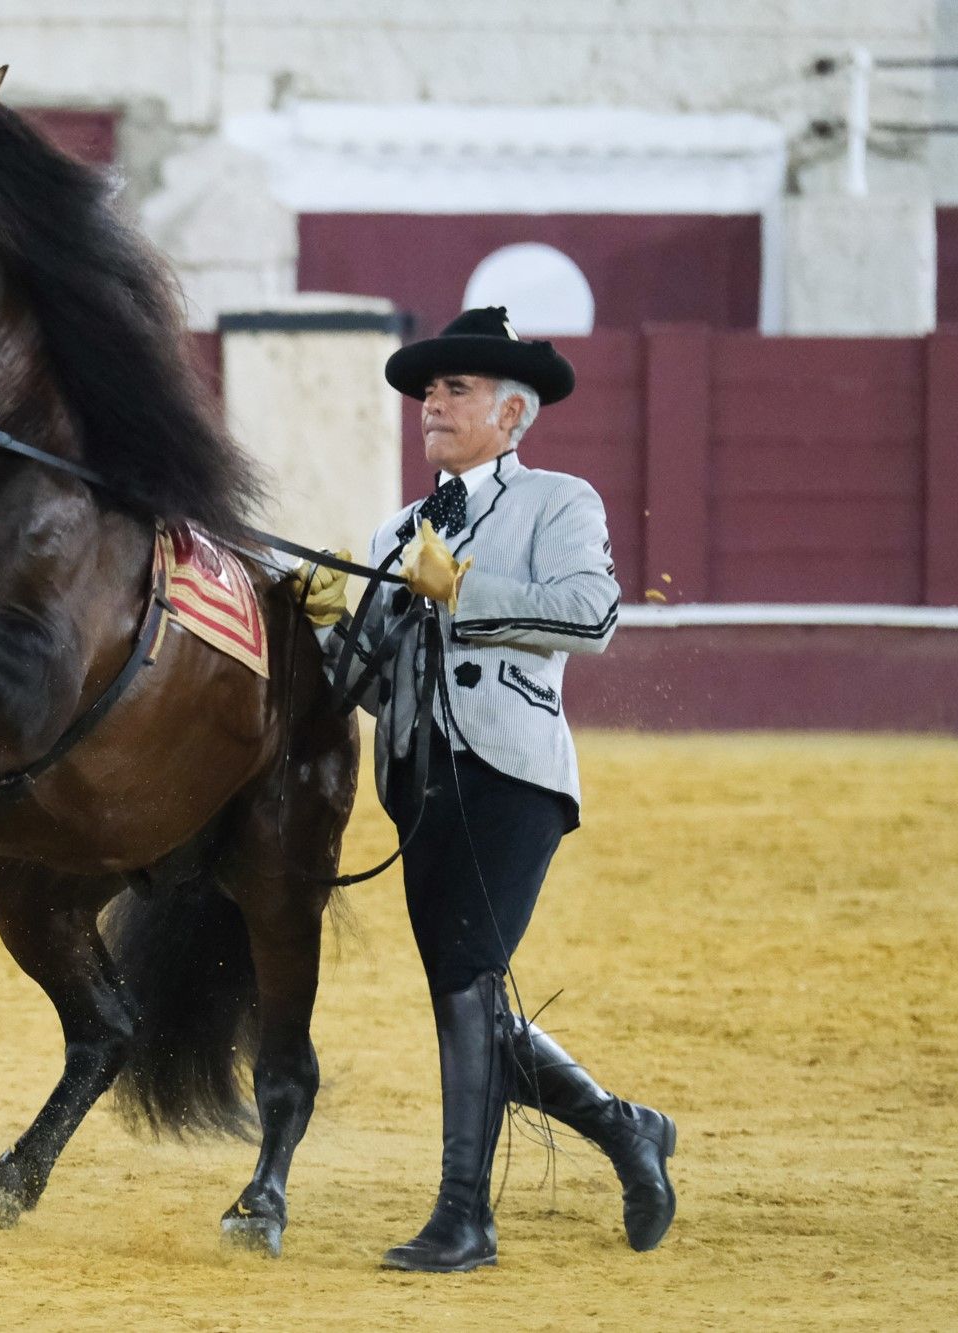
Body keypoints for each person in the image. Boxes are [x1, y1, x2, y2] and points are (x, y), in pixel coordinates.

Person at [288, 307, 676, 1273]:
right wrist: (329, 626)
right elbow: (378, 684)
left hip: (514, 776)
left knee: (464, 977)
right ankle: (626, 1129)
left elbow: (593, 616)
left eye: (454, 388)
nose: (432, 401)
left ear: (512, 415)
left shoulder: (559, 500)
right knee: (469, 996)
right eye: (429, 388)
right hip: (419, 784)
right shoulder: (396, 528)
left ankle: (465, 1215)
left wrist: (461, 591)